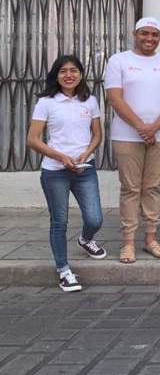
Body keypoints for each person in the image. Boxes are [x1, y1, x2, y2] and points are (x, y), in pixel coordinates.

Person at [105, 17, 160, 264]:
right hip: (126, 136)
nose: (149, 38)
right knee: (131, 189)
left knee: (152, 188)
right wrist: (141, 127)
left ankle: (150, 238)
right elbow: (115, 98)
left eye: (155, 34)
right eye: (144, 33)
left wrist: (155, 127)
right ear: (135, 34)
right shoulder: (119, 61)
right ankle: (128, 242)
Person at [27, 55, 105, 292]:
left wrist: (86, 154)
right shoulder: (46, 102)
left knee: (95, 218)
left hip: (85, 169)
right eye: (63, 71)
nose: (69, 75)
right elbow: (32, 139)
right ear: (56, 75)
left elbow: (97, 135)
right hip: (55, 172)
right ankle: (63, 270)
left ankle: (85, 239)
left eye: (73, 70)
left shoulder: (90, 101)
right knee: (59, 222)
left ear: (81, 74)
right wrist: (61, 157)